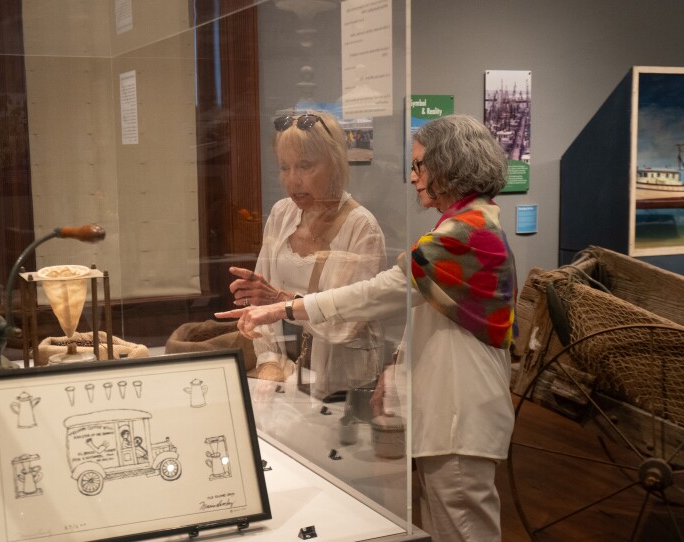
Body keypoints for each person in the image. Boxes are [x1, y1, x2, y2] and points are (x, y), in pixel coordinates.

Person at [217, 114, 517, 541]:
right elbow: (421, 307)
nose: (413, 178)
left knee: (464, 528)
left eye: (419, 166)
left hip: (458, 412)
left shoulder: (463, 235)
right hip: (448, 407)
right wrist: (396, 370)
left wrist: (285, 307)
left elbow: (378, 293)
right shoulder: (465, 225)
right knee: (449, 523)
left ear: (447, 167)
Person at [226, 111, 387, 402]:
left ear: (335, 164)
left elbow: (345, 322)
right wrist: (269, 360)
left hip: (342, 389)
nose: (293, 180)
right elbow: (262, 296)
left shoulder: (361, 227)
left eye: (305, 166)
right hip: (288, 382)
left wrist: (280, 302)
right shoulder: (281, 213)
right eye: (284, 168)